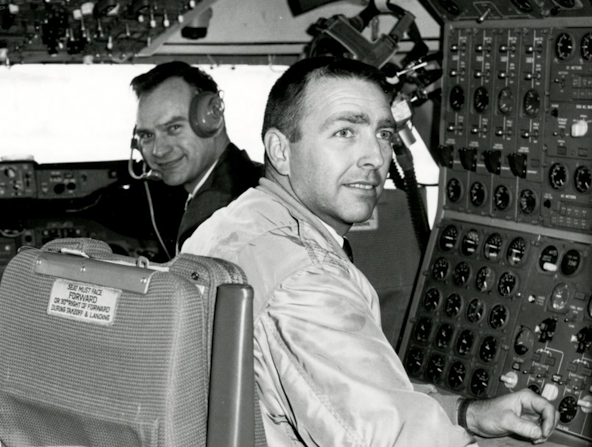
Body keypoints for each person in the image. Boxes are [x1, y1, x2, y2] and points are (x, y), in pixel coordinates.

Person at [182, 56, 558, 446]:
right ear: (280, 151)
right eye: (345, 132)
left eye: (383, 135)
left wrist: (466, 413)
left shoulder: (234, 222)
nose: (377, 158)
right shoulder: (303, 277)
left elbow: (356, 402)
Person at [130, 61, 262, 253]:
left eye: (173, 128)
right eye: (147, 136)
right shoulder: (249, 173)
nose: (158, 151)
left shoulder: (216, 211)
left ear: (212, 118)